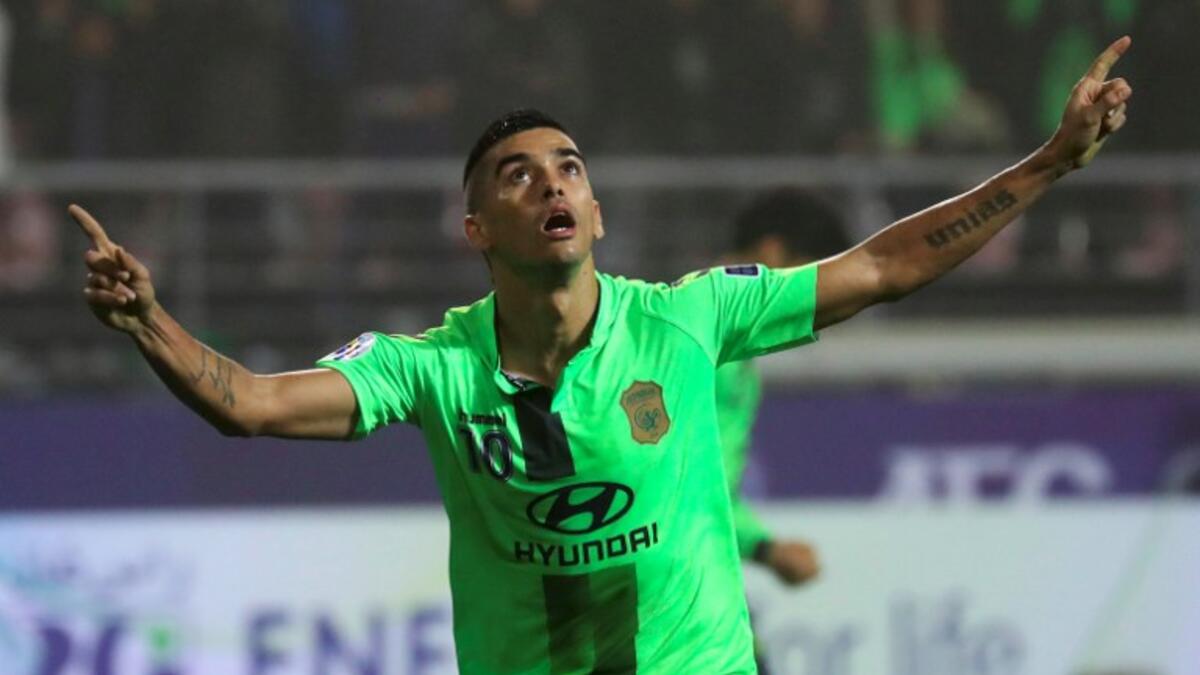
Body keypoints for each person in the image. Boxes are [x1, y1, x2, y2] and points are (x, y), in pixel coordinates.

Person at [71, 37, 1132, 674]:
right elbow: (251, 405)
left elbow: (886, 264)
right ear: (476, 228)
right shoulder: (431, 369)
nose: (552, 184)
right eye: (518, 174)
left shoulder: (690, 322)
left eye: (569, 167)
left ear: (599, 208)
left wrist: (1049, 162)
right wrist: (149, 321)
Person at [717, 188, 852, 590]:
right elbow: (668, 484)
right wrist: (765, 550)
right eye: (815, 281)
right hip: (662, 591)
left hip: (695, 573)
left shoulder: (735, 351)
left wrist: (764, 546)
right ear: (772, 254)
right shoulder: (701, 344)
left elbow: (709, 486)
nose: (824, 305)